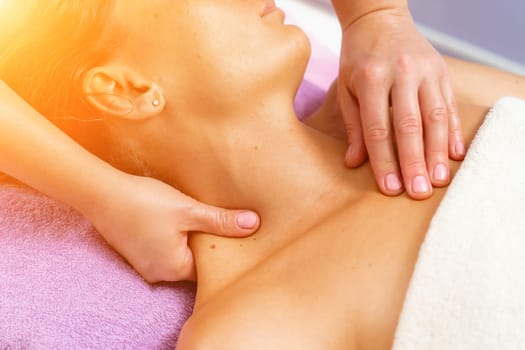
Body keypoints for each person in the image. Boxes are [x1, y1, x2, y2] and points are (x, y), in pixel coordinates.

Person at [2, 0, 525, 348]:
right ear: (126, 90)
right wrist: (100, 193)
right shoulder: (251, 329)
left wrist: (380, 16)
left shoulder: (424, 89)